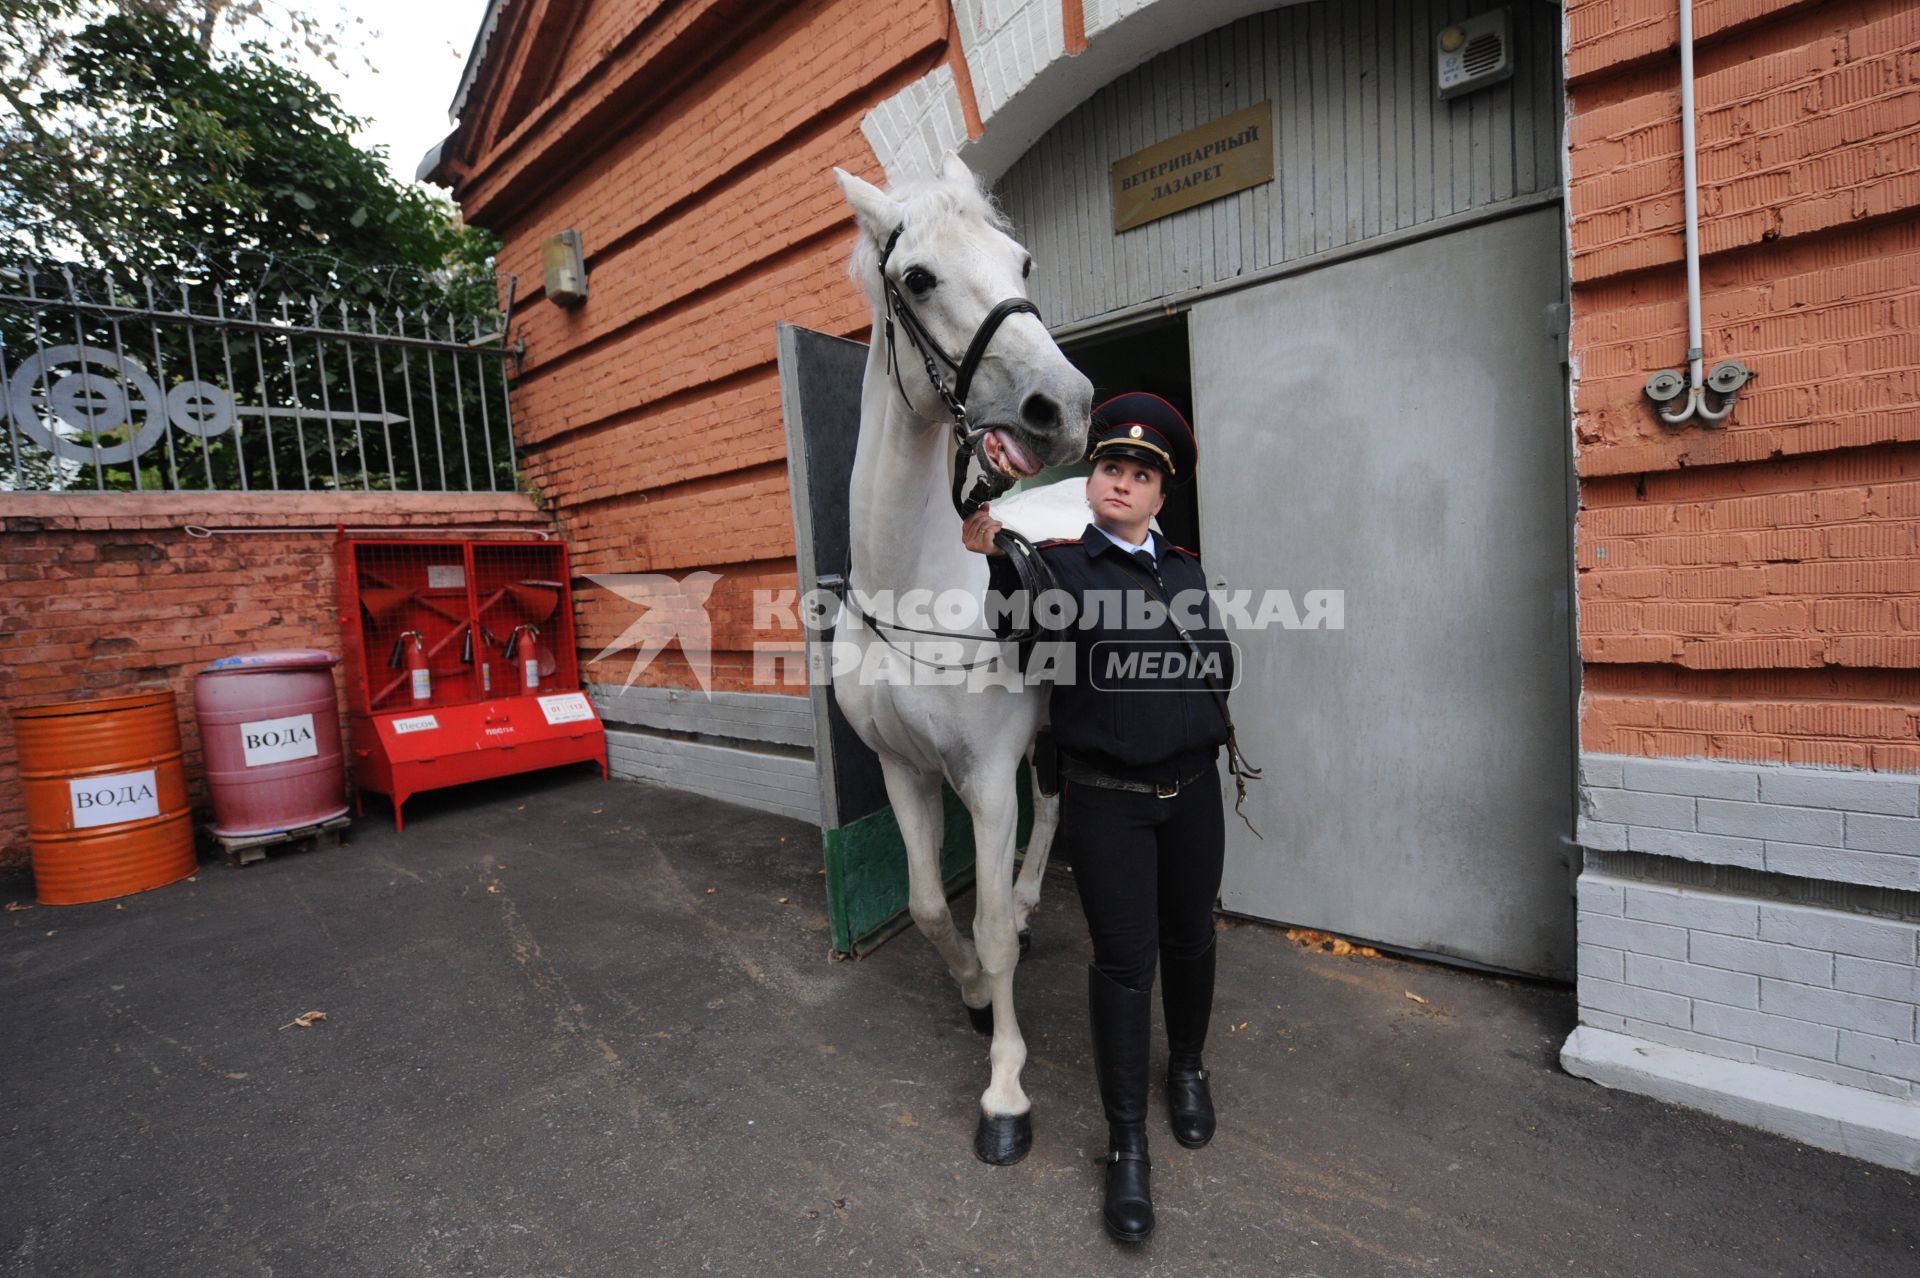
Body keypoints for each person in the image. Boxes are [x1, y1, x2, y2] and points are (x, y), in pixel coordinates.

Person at [961, 392, 1233, 1245]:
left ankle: (1186, 1068)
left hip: (1196, 793)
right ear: (1092, 484)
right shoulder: (1060, 567)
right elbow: (1021, 640)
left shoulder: (1184, 568)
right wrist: (1000, 563)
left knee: (1191, 939)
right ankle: (1126, 1147)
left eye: (1140, 473)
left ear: (1161, 493)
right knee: (1124, 965)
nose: (1121, 481)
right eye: (1110, 467)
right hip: (1111, 803)